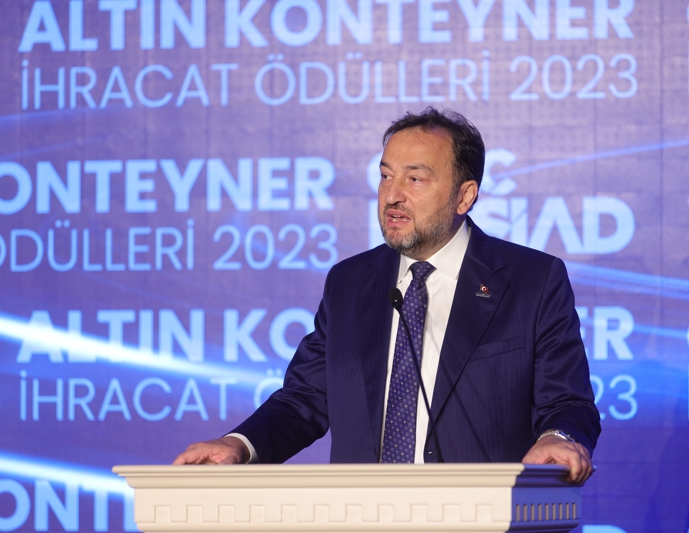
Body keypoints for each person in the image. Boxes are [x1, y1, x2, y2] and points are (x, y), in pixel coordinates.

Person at [174, 107, 600, 483]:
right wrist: (239, 444)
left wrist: (558, 437)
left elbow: (567, 401)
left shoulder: (531, 281)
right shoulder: (349, 282)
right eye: (385, 176)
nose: (392, 196)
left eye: (415, 179)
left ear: (464, 196)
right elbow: (306, 398)